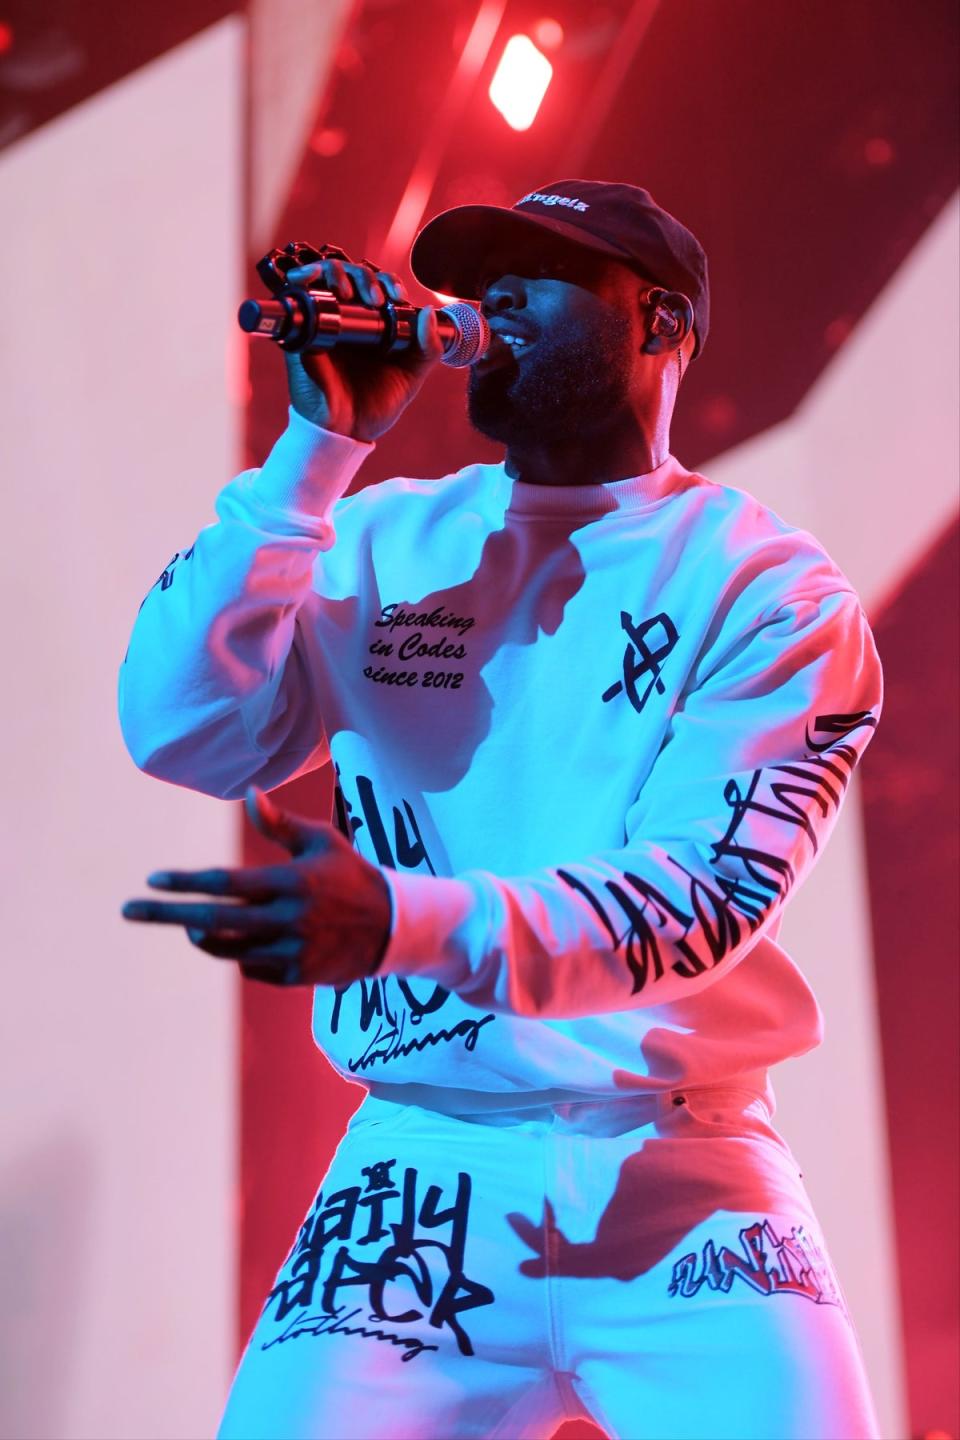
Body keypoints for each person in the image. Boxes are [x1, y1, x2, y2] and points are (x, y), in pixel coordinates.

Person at [120, 180, 883, 1440]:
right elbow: (180, 728)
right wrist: (314, 454)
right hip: (421, 1159)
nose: (493, 303)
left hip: (684, 1172)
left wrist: (403, 925)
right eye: (483, 280)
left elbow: (703, 901)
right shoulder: (375, 539)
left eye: (544, 276)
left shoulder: (769, 588)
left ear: (662, 322)